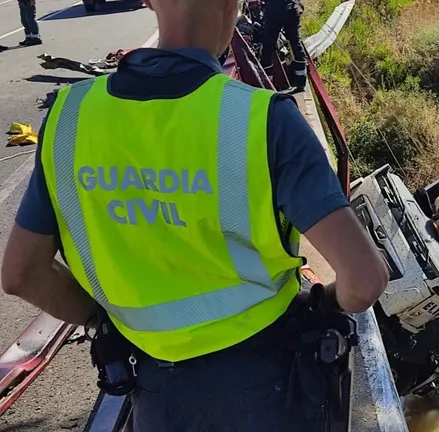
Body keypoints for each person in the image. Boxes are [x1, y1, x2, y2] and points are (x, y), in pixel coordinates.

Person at [0, 0, 389, 429]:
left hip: (154, 396)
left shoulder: (69, 118)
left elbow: (21, 273)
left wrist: (103, 320)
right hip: (269, 387)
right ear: (233, 5)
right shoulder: (263, 120)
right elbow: (365, 280)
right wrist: (318, 304)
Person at [260, 0, 307, 91]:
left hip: (275, 9)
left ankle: (268, 84)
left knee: (268, 46)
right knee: (296, 43)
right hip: (292, 8)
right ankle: (301, 82)